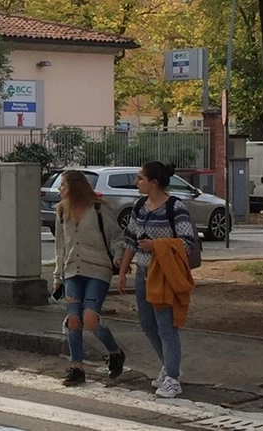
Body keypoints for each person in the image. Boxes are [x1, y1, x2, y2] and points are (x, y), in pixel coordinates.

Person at [118, 161, 198, 399]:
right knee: (148, 325)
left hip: (164, 274)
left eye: (140, 178)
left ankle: (173, 378)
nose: (136, 182)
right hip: (144, 273)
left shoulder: (175, 207)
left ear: (154, 182)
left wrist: (156, 246)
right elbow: (130, 239)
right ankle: (169, 366)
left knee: (166, 326)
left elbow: (187, 241)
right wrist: (123, 270)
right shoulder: (140, 205)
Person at [51, 170, 126, 386]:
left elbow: (116, 237)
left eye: (62, 185)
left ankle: (115, 352)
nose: (59, 189)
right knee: (74, 320)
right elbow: (60, 247)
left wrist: (120, 257)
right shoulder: (62, 211)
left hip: (98, 269)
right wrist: (58, 275)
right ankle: (77, 368)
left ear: (74, 186)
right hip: (71, 270)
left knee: (90, 319)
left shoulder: (99, 209)